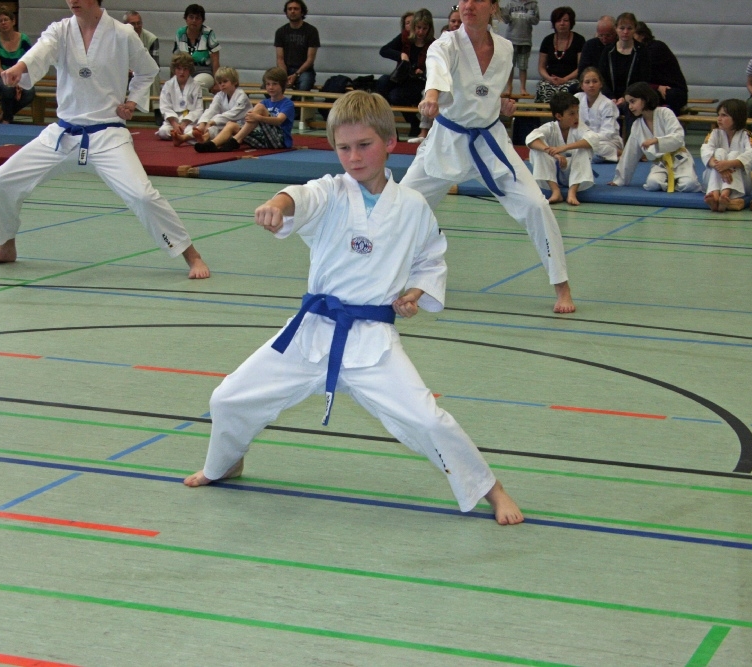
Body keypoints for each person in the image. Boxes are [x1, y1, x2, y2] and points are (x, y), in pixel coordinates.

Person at [183, 90, 524, 527]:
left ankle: (491, 489)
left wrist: (415, 293)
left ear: (390, 142)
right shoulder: (331, 191)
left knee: (427, 420)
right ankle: (226, 462)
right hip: (312, 332)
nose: (354, 157)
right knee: (228, 398)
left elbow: (430, 259)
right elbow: (299, 197)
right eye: (344, 148)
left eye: (364, 145)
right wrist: (276, 205)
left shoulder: (413, 207)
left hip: (372, 341)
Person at [0, 0, 210, 280]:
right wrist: (19, 68)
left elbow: (148, 70)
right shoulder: (60, 30)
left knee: (143, 196)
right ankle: (5, 246)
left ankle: (191, 254)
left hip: (108, 135)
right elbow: (40, 52)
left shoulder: (122, 33)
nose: (72, 0)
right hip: (63, 134)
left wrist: (132, 101)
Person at [401, 0, 575, 314]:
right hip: (447, 141)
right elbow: (437, 73)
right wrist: (431, 97)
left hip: (490, 143)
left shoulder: (506, 49)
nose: (468, 5)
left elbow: (486, 93)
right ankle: (375, 275)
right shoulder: (446, 44)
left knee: (536, 205)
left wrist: (501, 105)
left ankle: (561, 285)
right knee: (399, 207)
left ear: (493, 7)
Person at [611, 82, 700, 193]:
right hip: (660, 163)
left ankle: (675, 181)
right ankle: (671, 181)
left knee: (689, 184)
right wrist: (620, 180)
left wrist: (657, 140)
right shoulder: (637, 125)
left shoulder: (665, 113)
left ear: (645, 98)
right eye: (628, 103)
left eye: (633, 101)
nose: (630, 107)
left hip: (680, 159)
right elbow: (630, 153)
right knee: (652, 184)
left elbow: (678, 137)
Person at [196, 67, 294, 152]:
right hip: (264, 138)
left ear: (282, 85)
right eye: (268, 84)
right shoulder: (265, 102)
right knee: (231, 125)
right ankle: (213, 144)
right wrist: (253, 117)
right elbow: (251, 116)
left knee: (259, 108)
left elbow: (279, 120)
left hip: (279, 141)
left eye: (275, 84)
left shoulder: (287, 103)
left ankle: (236, 140)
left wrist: (258, 118)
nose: (271, 87)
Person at [526, 92, 598, 206]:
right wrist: (553, 153)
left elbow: (593, 139)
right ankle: (556, 191)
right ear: (559, 116)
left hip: (574, 174)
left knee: (583, 149)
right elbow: (531, 139)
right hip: (553, 173)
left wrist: (564, 147)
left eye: (577, 112)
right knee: (538, 150)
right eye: (571, 113)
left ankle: (572, 192)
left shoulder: (579, 127)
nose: (576, 117)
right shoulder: (550, 128)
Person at [377, 8, 436, 138]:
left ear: (429, 29)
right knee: (382, 83)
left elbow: (436, 67)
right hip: (401, 77)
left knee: (396, 96)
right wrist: (401, 55)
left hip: (418, 82)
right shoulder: (405, 38)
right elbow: (384, 50)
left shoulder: (433, 44)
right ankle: (385, 123)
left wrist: (423, 71)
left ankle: (414, 123)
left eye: (424, 28)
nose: (420, 32)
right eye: (418, 27)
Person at [701, 99, 752, 213]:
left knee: (734, 155)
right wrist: (720, 168)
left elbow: (751, 154)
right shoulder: (714, 133)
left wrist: (729, 164)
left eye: (724, 115)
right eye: (718, 115)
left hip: (742, 184)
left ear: (736, 118)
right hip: (714, 178)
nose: (719, 119)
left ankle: (724, 194)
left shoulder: (747, 135)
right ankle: (716, 195)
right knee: (719, 152)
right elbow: (705, 150)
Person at [0, 6, 35, 124]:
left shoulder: (24, 39)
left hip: (19, 77)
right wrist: (11, 81)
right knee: (8, 88)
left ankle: (5, 114)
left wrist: (19, 81)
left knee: (29, 92)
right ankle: (7, 121)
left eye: (6, 20)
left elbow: (28, 63)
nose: (3, 23)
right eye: (0, 21)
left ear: (13, 21)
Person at [192, 66, 252, 151]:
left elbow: (233, 114)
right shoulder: (220, 95)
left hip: (244, 129)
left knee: (222, 124)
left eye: (225, 81)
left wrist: (213, 121)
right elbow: (211, 109)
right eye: (219, 83)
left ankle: (212, 144)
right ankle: (202, 138)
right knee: (215, 126)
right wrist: (203, 122)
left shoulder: (241, 96)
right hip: (228, 124)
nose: (222, 85)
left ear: (235, 82)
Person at [633, 22, 687, 113]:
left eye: (633, 35)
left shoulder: (655, 48)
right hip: (655, 89)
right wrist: (656, 87)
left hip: (672, 91)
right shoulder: (638, 50)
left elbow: (641, 74)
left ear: (642, 36)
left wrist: (656, 87)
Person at [598, 13, 649, 109]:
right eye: (622, 28)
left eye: (629, 28)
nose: (625, 32)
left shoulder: (642, 51)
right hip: (609, 99)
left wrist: (626, 98)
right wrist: (611, 97)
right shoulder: (608, 51)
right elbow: (601, 78)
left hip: (633, 99)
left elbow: (643, 81)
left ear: (635, 29)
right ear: (616, 29)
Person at [535, 6, 585, 103]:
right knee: (542, 86)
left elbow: (580, 67)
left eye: (565, 20)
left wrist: (565, 79)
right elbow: (541, 67)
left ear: (571, 23)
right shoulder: (547, 40)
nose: (562, 23)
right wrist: (549, 78)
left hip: (571, 80)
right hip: (551, 80)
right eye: (558, 21)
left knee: (571, 88)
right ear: (554, 23)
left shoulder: (579, 40)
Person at [155, 53, 203, 146]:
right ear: (174, 69)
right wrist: (174, 124)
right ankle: (182, 136)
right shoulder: (168, 85)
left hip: (189, 120)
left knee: (190, 131)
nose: (182, 72)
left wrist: (184, 123)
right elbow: (165, 107)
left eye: (185, 69)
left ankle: (180, 137)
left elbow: (198, 109)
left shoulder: (196, 85)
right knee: (163, 131)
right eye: (179, 69)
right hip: (173, 119)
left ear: (190, 70)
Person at [575, 67, 622, 162]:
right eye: (587, 82)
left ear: (601, 84)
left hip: (607, 141)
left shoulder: (608, 104)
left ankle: (619, 153)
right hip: (582, 140)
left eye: (595, 81)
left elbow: (608, 132)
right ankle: (612, 157)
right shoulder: (577, 98)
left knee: (598, 149)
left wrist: (588, 140)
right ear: (582, 85)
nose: (591, 85)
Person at [173, 4, 220, 96]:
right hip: (184, 72)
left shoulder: (208, 33)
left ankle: (207, 102)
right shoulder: (180, 33)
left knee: (195, 86)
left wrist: (217, 82)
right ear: (186, 19)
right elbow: (175, 59)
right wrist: (172, 79)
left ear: (202, 20)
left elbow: (215, 60)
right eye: (191, 17)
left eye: (197, 18)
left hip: (205, 72)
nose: (194, 20)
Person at [123, 11, 162, 123]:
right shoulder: (118, 37)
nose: (136, 26)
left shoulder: (151, 39)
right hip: (124, 72)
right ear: (125, 25)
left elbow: (155, 65)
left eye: (139, 23)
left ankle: (157, 109)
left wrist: (134, 71)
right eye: (133, 24)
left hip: (142, 71)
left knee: (154, 75)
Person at [274, 0, 321, 91]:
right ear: (286, 12)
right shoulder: (280, 31)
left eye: (296, 9)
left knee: (304, 87)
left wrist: (296, 74)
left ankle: (296, 101)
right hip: (285, 69)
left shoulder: (311, 31)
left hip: (305, 71)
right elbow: (280, 59)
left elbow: (310, 59)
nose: (292, 11)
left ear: (302, 12)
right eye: (290, 9)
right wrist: (284, 75)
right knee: (267, 87)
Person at [499, 0, 539, 96]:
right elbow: (505, 20)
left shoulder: (533, 5)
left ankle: (523, 88)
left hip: (525, 40)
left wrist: (530, 16)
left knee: (523, 66)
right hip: (511, 39)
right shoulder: (510, 4)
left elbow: (536, 21)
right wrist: (502, 12)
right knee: (510, 66)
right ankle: (509, 87)